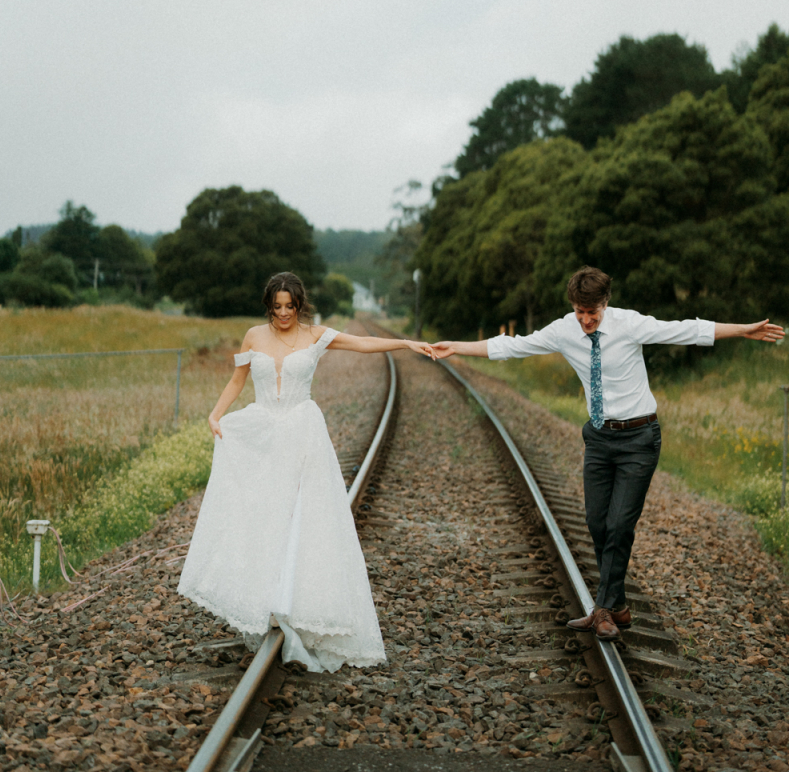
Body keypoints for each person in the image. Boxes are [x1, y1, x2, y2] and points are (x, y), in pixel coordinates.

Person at [431, 266, 784, 641]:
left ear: (605, 303)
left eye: (592, 313)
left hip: (639, 439)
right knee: (597, 523)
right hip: (599, 439)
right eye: (580, 312)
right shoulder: (564, 330)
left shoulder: (629, 324)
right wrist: (456, 347)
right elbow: (512, 346)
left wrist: (743, 330)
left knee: (619, 526)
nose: (586, 320)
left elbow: (685, 329)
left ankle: (602, 611)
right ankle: (618, 606)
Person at [178, 270, 435, 672]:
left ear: (299, 305)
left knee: (298, 517)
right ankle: (267, 598)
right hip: (263, 431)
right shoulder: (253, 336)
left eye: (290, 306)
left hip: (302, 434)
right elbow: (236, 380)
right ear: (269, 305)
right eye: (277, 307)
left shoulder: (316, 335)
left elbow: (363, 344)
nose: (284, 313)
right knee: (264, 516)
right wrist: (215, 414)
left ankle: (293, 601)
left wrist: (405, 343)